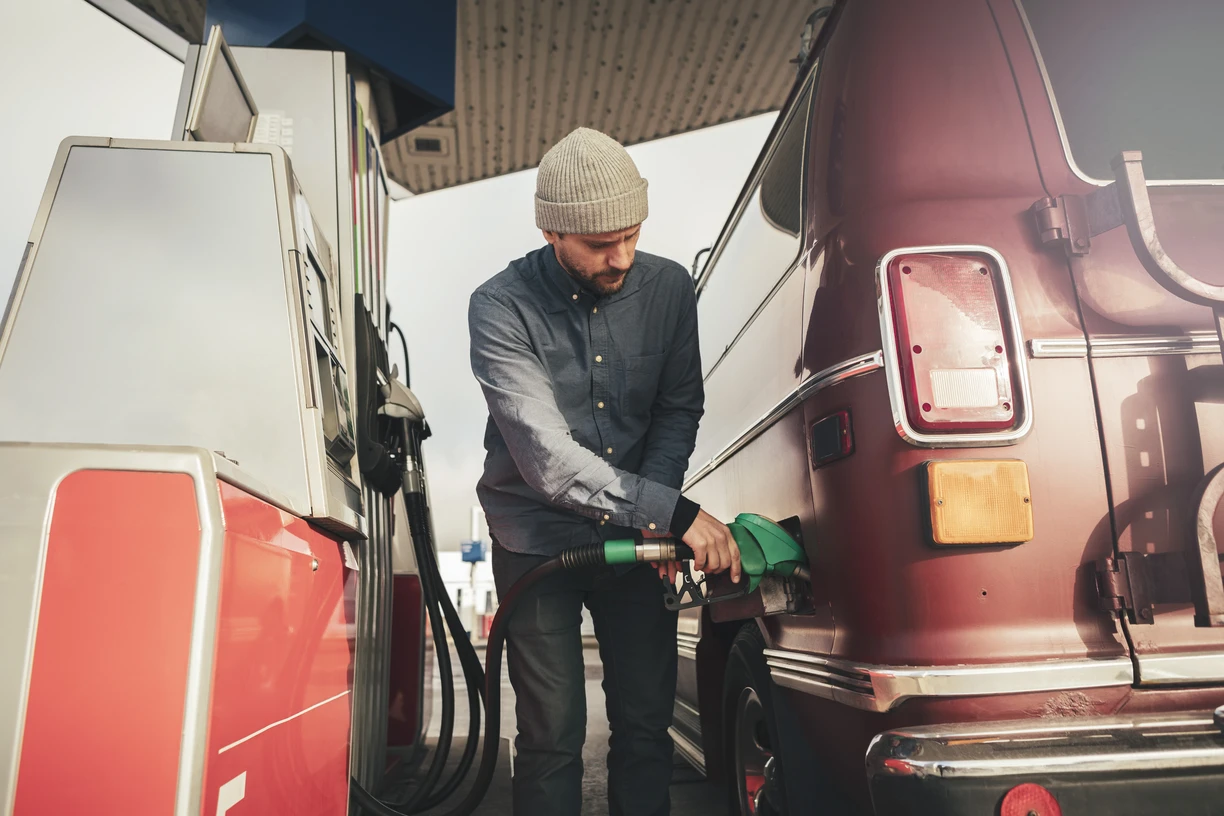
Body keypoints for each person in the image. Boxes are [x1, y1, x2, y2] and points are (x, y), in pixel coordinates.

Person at [468, 126, 741, 816]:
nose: (620, 256)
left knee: (647, 726)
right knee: (552, 735)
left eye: (631, 234)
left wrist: (653, 521)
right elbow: (545, 457)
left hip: (636, 548)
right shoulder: (499, 307)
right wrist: (671, 515)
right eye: (597, 244)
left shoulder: (670, 289)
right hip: (534, 540)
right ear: (552, 229)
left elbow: (678, 410)